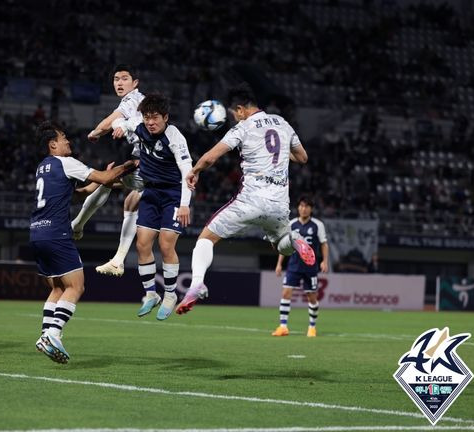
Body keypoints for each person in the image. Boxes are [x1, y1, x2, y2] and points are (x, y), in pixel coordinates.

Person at [175, 83, 315, 315]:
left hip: (250, 200)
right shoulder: (282, 123)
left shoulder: (242, 128)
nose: (234, 118)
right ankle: (295, 238)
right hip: (280, 203)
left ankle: (197, 283)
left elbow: (211, 157)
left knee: (206, 238)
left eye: (233, 114)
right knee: (281, 245)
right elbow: (302, 157)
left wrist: (195, 171)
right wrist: (279, 154)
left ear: (240, 109)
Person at [31, 122, 136, 364]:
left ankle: (45, 334)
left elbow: (79, 192)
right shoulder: (66, 162)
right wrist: (130, 165)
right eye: (63, 137)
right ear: (52, 144)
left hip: (36, 233)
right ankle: (53, 334)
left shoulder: (43, 167)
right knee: (76, 286)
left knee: (57, 288)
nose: (68, 141)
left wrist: (103, 179)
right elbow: (106, 177)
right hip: (56, 234)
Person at [113, 94, 192, 320]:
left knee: (166, 244)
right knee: (142, 243)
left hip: (174, 194)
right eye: (147, 117)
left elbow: (188, 171)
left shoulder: (175, 137)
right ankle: (150, 294)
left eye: (155, 117)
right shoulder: (139, 127)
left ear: (165, 117)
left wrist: (185, 205)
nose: (150, 122)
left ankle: (169, 295)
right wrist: (118, 127)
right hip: (151, 192)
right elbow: (120, 122)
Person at [71, 64, 145, 277]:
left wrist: (95, 132)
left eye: (124, 78)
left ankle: (77, 224)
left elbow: (110, 122)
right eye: (116, 79)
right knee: (127, 197)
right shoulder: (137, 102)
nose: (119, 83)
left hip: (154, 163)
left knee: (108, 179)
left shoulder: (133, 99)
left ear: (135, 83)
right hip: (147, 160)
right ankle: (118, 259)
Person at [273, 195, 328, 337]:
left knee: (312, 297)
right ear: (298, 208)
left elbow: (324, 243)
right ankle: (283, 326)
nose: (304, 209)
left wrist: (325, 261)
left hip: (310, 267)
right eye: (302, 206)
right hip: (294, 265)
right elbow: (285, 246)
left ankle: (312, 327)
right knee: (285, 293)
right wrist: (279, 264)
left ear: (311, 209)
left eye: (307, 206)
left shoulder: (317, 225)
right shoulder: (291, 224)